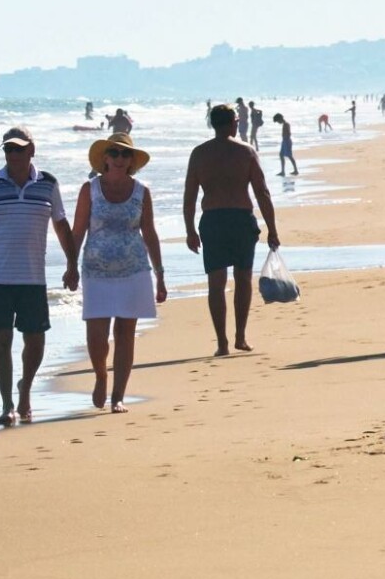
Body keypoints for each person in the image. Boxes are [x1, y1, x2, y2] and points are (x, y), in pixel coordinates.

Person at [0, 127, 79, 426]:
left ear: (32, 150)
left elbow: (61, 225)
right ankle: (8, 403)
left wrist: (72, 264)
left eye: (19, 149)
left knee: (35, 342)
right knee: (1, 340)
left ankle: (26, 391)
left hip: (32, 276)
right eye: (8, 149)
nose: (13, 155)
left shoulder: (47, 184)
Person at [72, 133, 166, 413]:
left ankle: (118, 396)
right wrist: (69, 266)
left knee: (126, 333)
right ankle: (101, 374)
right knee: (97, 334)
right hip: (96, 271)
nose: (119, 159)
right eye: (114, 153)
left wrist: (160, 275)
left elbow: (149, 233)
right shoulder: (89, 190)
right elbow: (78, 232)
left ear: (132, 161)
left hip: (134, 270)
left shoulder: (141, 191)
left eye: (125, 155)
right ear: (105, 158)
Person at [183, 104, 281, 357]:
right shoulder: (246, 152)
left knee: (216, 283)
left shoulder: (199, 154)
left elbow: (190, 196)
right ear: (233, 123)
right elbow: (262, 192)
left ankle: (222, 343)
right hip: (240, 219)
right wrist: (272, 228)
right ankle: (240, 337)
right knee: (243, 279)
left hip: (212, 220)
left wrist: (190, 230)